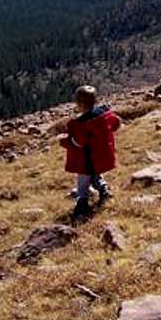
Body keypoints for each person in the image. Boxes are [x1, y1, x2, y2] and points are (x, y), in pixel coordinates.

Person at [58, 85, 122, 221]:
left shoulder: (81, 124)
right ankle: (104, 190)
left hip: (86, 160)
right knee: (96, 174)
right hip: (101, 156)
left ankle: (82, 202)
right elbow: (116, 123)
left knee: (82, 181)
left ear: (80, 104)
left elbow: (78, 143)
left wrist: (65, 141)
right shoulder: (105, 114)